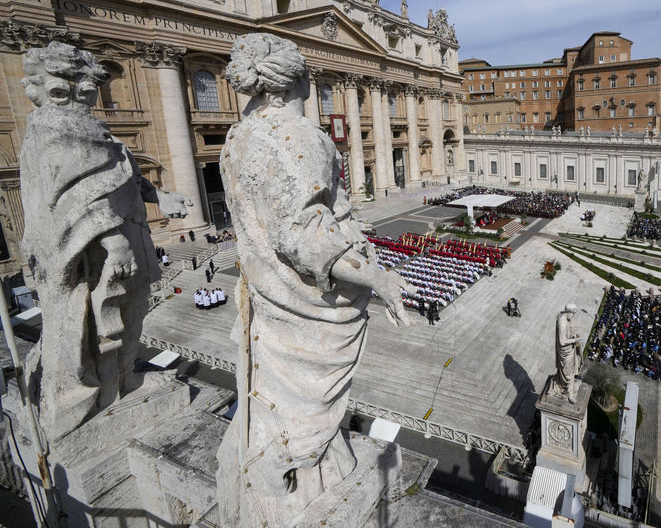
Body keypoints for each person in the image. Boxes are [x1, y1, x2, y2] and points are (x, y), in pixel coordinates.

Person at [215, 33, 410, 527]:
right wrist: (380, 279)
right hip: (308, 299)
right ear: (296, 79)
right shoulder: (299, 136)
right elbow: (307, 235)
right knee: (308, 399)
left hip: (267, 295)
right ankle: (294, 470)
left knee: (277, 389)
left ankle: (279, 467)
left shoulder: (238, 137)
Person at [18, 42, 191, 440]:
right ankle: (103, 392)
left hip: (128, 238)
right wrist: (113, 240)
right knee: (102, 322)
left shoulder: (96, 130)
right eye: (64, 89)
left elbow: (121, 176)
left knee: (132, 315)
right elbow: (68, 199)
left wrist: (159, 196)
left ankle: (125, 380)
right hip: (96, 250)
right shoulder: (50, 128)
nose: (79, 99)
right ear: (40, 90)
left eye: (85, 89)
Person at [554, 303, 583, 402]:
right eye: (573, 314)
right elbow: (562, 342)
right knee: (568, 371)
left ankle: (569, 390)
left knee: (570, 369)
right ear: (568, 312)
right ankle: (569, 393)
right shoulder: (562, 322)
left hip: (570, 349)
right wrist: (575, 341)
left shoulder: (567, 318)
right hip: (565, 352)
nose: (573, 316)